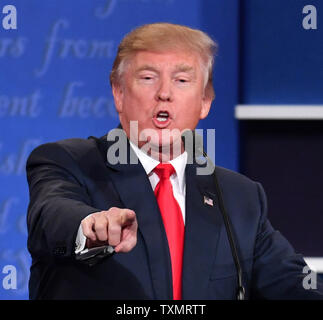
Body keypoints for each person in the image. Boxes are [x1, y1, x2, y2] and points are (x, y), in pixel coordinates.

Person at [26, 23, 323, 300]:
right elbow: (52, 214)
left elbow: (294, 283)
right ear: (118, 93)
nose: (164, 94)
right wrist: (89, 227)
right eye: (147, 78)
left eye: (182, 80)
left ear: (205, 101)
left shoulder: (239, 197)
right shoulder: (69, 163)